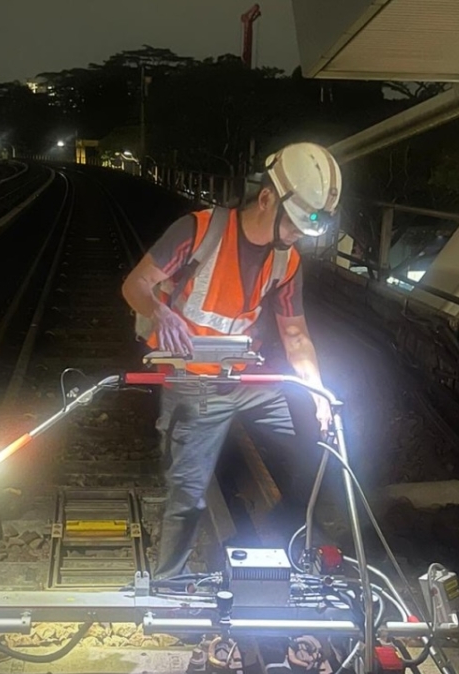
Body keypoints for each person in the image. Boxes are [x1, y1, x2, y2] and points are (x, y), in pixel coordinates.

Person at [122, 142, 342, 578]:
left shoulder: (287, 260)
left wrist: (319, 393)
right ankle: (169, 582)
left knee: (318, 444)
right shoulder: (198, 231)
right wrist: (160, 312)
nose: (296, 235)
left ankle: (291, 540)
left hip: (243, 378)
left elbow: (295, 334)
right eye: (293, 223)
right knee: (188, 495)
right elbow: (135, 285)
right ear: (267, 198)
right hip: (192, 382)